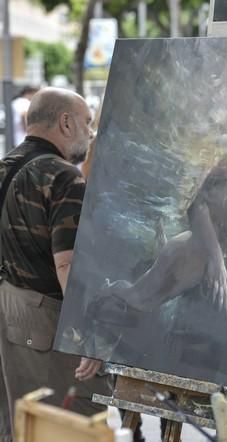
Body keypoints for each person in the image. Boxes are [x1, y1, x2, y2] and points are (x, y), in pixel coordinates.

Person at [0, 87, 111, 439]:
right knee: (76, 428)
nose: (90, 133)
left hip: (9, 315)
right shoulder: (63, 176)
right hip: (46, 326)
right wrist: (88, 334)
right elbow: (68, 265)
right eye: (87, 123)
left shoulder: (4, 167)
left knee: (22, 428)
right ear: (66, 122)